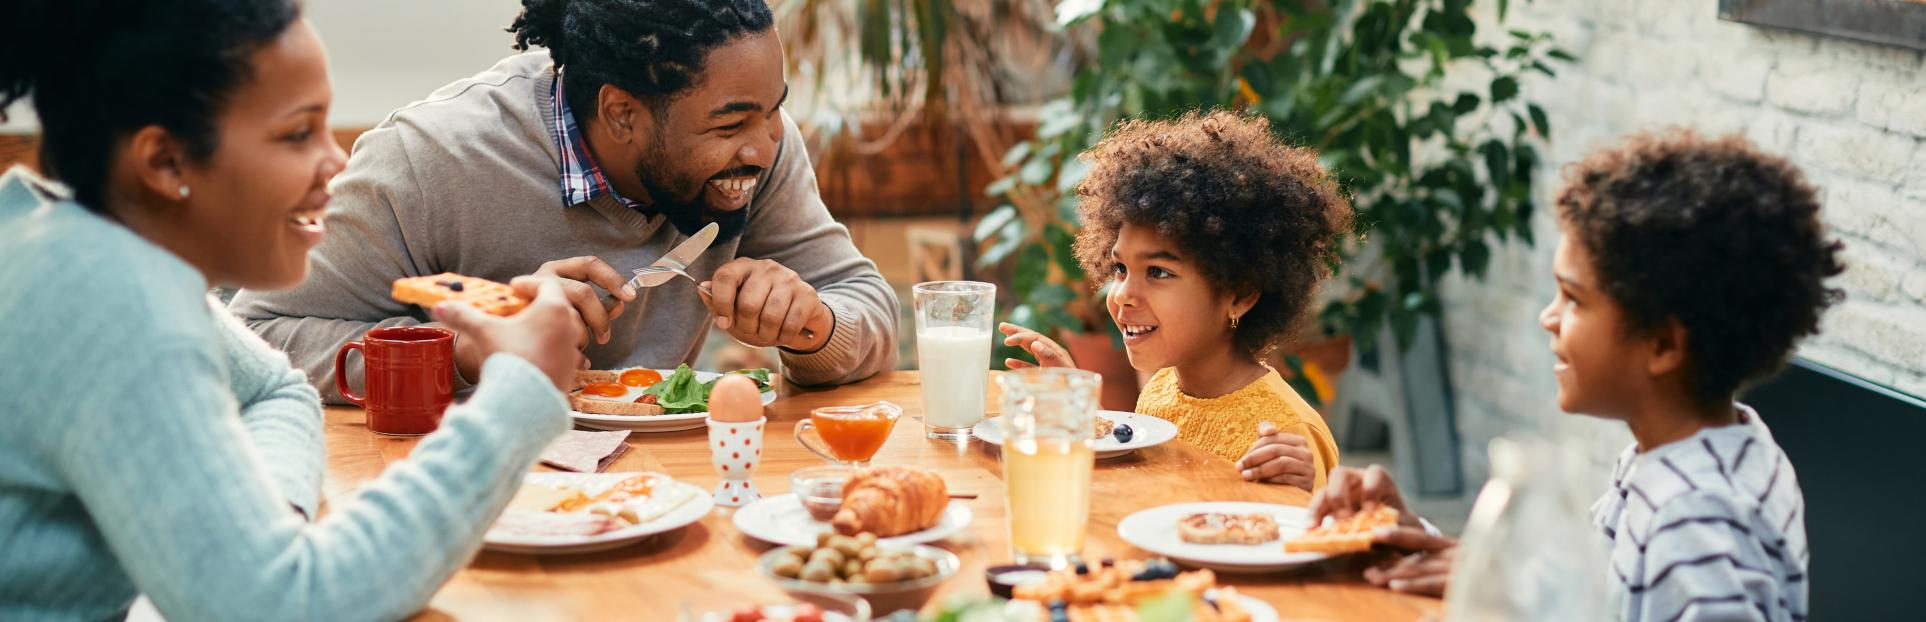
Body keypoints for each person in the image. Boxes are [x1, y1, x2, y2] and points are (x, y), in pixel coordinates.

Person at [0, 1, 589, 619]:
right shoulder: (113, 308)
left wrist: (257, 524)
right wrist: (518, 393)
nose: (336, 162)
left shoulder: (66, 240)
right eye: (297, 133)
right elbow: (284, 609)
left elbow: (275, 388)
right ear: (165, 162)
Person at [227, 0, 899, 403]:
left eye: (774, 112)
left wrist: (814, 325)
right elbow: (257, 340)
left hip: (668, 500)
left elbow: (865, 305)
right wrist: (464, 352)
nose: (765, 143)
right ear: (622, 112)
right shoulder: (429, 160)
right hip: (468, 506)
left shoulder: (754, 153)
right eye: (730, 125)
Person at [1311, 130, 1837, 622]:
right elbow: (1598, 593)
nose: (1549, 317)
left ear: (1662, 344)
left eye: (1574, 298)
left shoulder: (1694, 520)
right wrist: (1447, 551)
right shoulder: (1707, 450)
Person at [999, 111, 1352, 492]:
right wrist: (1077, 409)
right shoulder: (1162, 390)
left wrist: (1305, 493)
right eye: (1120, 268)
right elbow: (1148, 499)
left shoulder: (1285, 434)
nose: (1122, 296)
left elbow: (1321, 542)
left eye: (1158, 272)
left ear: (1240, 295)